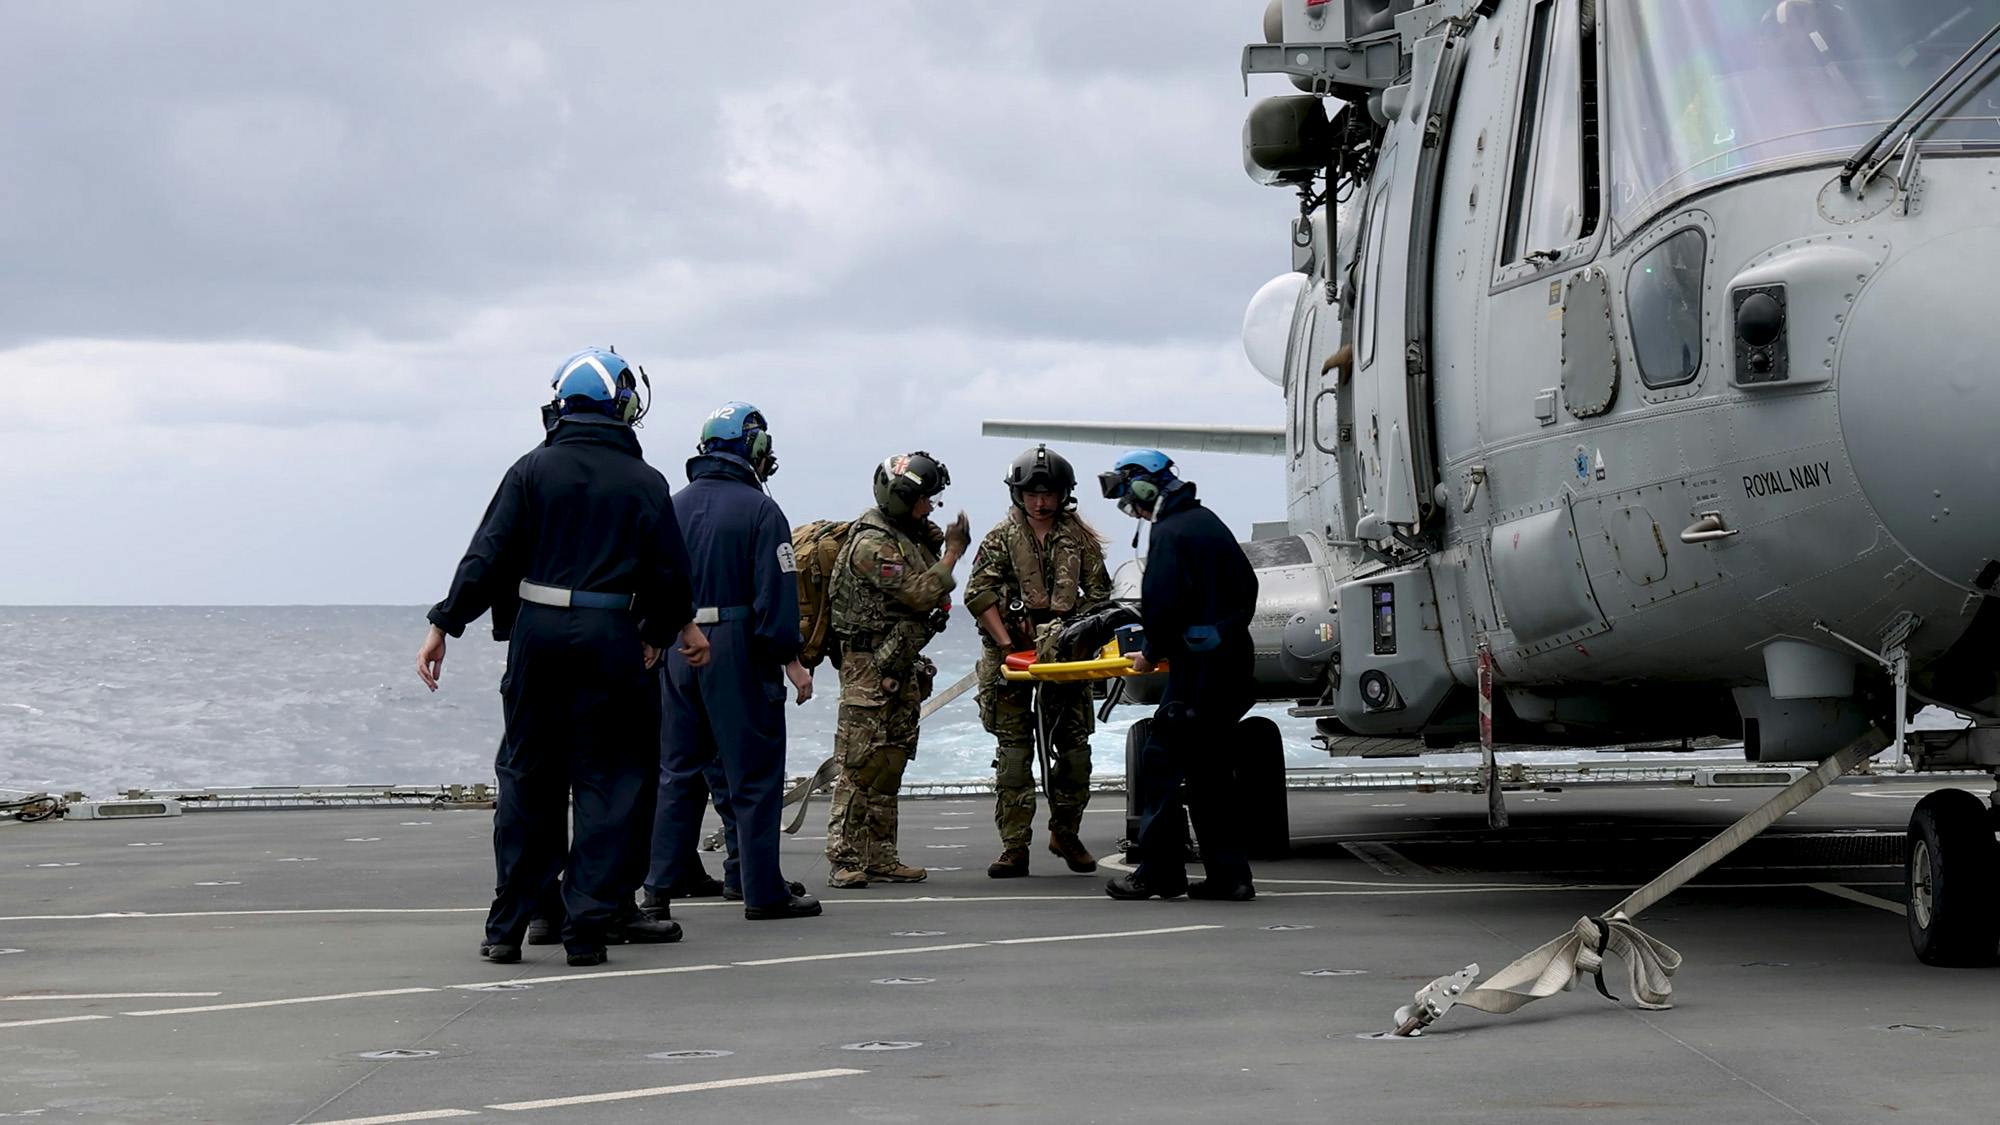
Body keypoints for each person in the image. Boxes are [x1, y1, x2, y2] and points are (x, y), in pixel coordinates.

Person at [417, 347, 709, 967]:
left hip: (537, 632)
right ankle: (586, 924)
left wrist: (446, 623)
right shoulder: (646, 481)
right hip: (610, 635)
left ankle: (508, 927)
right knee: (612, 782)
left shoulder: (530, 470)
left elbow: (488, 554)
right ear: (623, 405)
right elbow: (668, 572)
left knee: (527, 778)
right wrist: (669, 629)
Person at [641, 402, 821, 921]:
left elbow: (651, 583)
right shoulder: (762, 511)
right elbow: (776, 596)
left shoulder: (671, 506)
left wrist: (656, 636)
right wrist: (789, 658)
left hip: (677, 645)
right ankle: (761, 891)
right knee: (755, 776)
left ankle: (656, 891)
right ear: (754, 449)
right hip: (736, 647)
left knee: (676, 772)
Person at [1095, 450, 1260, 902]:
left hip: (1199, 675)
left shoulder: (1169, 533)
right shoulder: (1208, 522)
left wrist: (1150, 653)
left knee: (1160, 762)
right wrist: (1220, 629)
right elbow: (1248, 587)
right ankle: (1231, 878)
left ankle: (1159, 874)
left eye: (1129, 493)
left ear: (1146, 487)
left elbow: (1163, 606)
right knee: (1210, 773)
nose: (1132, 505)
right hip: (1232, 665)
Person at [824, 451, 971, 889]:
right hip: (868, 667)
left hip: (898, 661)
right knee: (859, 764)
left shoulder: (905, 535)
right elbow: (921, 593)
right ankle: (844, 857)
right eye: (924, 500)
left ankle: (881, 855)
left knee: (889, 763)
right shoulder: (873, 545)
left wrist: (934, 539)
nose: (930, 509)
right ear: (901, 497)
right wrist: (954, 553)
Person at [965, 445, 1110, 878]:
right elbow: (978, 594)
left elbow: (1100, 599)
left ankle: (1066, 832)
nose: (1040, 501)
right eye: (1032, 493)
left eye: (1049, 493)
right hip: (1011, 661)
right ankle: (1014, 847)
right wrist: (1008, 643)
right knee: (1012, 757)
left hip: (1065, 660)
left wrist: (1079, 642)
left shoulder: (1081, 541)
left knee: (1075, 754)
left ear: (1064, 494)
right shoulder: (998, 539)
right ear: (1019, 495)